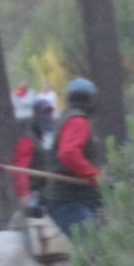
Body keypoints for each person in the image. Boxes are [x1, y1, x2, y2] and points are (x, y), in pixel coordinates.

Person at [41, 78, 105, 237]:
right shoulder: (78, 121)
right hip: (69, 201)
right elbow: (69, 154)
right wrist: (96, 175)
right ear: (91, 99)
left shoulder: (66, 118)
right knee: (101, 252)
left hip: (77, 198)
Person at [13, 97, 57, 202]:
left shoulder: (48, 135)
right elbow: (21, 170)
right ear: (36, 114)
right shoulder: (28, 139)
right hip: (34, 193)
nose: (48, 116)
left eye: (49, 112)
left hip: (49, 190)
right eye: (44, 113)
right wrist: (24, 194)